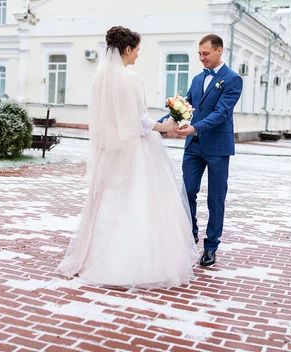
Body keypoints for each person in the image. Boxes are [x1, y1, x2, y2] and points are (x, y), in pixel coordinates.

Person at [57, 26, 199, 288]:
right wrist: (167, 126)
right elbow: (141, 121)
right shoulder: (132, 78)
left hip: (110, 150)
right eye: (137, 50)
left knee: (112, 200)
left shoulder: (99, 77)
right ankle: (139, 264)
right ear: (126, 49)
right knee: (139, 200)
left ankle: (101, 259)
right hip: (135, 151)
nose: (137, 56)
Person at [160, 34, 243, 267]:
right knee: (187, 193)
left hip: (217, 147)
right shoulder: (197, 79)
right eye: (199, 54)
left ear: (219, 51)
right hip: (194, 148)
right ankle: (191, 233)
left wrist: (194, 128)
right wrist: (156, 125)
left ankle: (211, 245)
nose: (201, 58)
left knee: (216, 198)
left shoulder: (232, 79)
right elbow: (185, 107)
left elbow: (221, 113)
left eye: (205, 54)